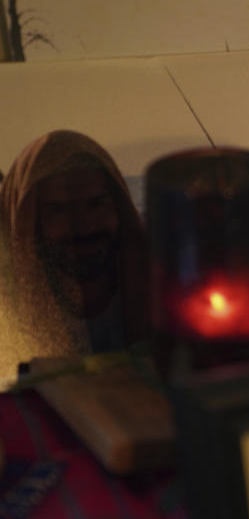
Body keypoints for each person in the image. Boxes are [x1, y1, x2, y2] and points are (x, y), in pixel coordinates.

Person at [0, 130, 147, 382]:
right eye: (59, 211)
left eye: (96, 204)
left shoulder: (163, 285)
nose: (84, 227)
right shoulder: (7, 313)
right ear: (29, 223)